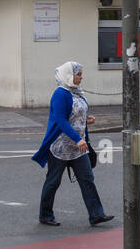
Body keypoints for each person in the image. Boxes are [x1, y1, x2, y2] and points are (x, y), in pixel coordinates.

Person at [32, 61, 114, 227]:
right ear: (69, 75)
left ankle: (96, 215)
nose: (81, 77)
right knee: (53, 181)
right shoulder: (60, 94)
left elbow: (74, 115)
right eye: (78, 74)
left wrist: (85, 121)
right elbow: (60, 120)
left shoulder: (77, 92)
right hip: (60, 147)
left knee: (87, 179)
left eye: (81, 74)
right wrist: (77, 139)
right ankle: (45, 215)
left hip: (78, 148)